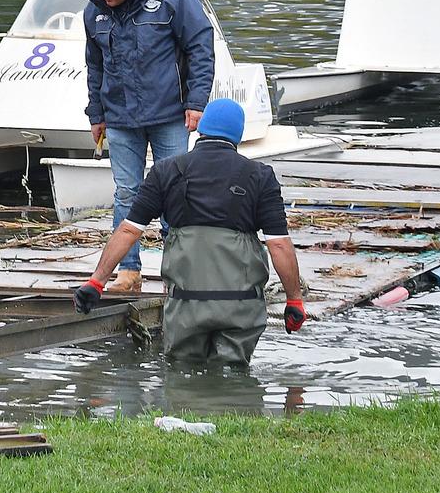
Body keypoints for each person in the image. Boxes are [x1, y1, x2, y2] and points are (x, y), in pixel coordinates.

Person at [74, 99, 307, 364]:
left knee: (182, 375)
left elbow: (128, 230)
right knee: (233, 376)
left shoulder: (166, 171)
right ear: (238, 135)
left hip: (186, 304)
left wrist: (96, 282)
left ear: (202, 129)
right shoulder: (261, 176)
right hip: (240, 305)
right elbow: (279, 245)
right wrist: (294, 300)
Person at [84, 0, 215, 294]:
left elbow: (201, 48)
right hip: (121, 117)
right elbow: (94, 66)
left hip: (169, 113)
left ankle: (178, 270)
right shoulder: (95, 10)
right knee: (127, 192)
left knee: (174, 191)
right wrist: (96, 112)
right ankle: (128, 272)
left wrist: (197, 101)